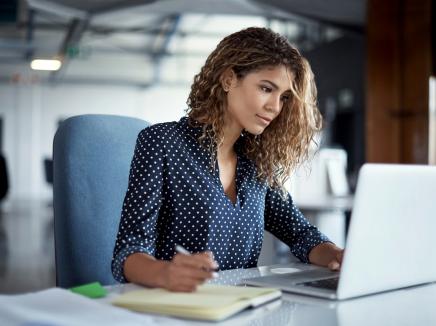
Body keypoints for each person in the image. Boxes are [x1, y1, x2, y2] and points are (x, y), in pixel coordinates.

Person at [112, 27, 344, 292]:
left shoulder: (256, 163)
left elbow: (301, 235)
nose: (275, 107)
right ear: (228, 80)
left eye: (284, 97)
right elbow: (128, 251)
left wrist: (337, 255)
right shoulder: (162, 142)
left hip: (241, 310)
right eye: (266, 88)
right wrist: (165, 273)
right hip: (175, 309)